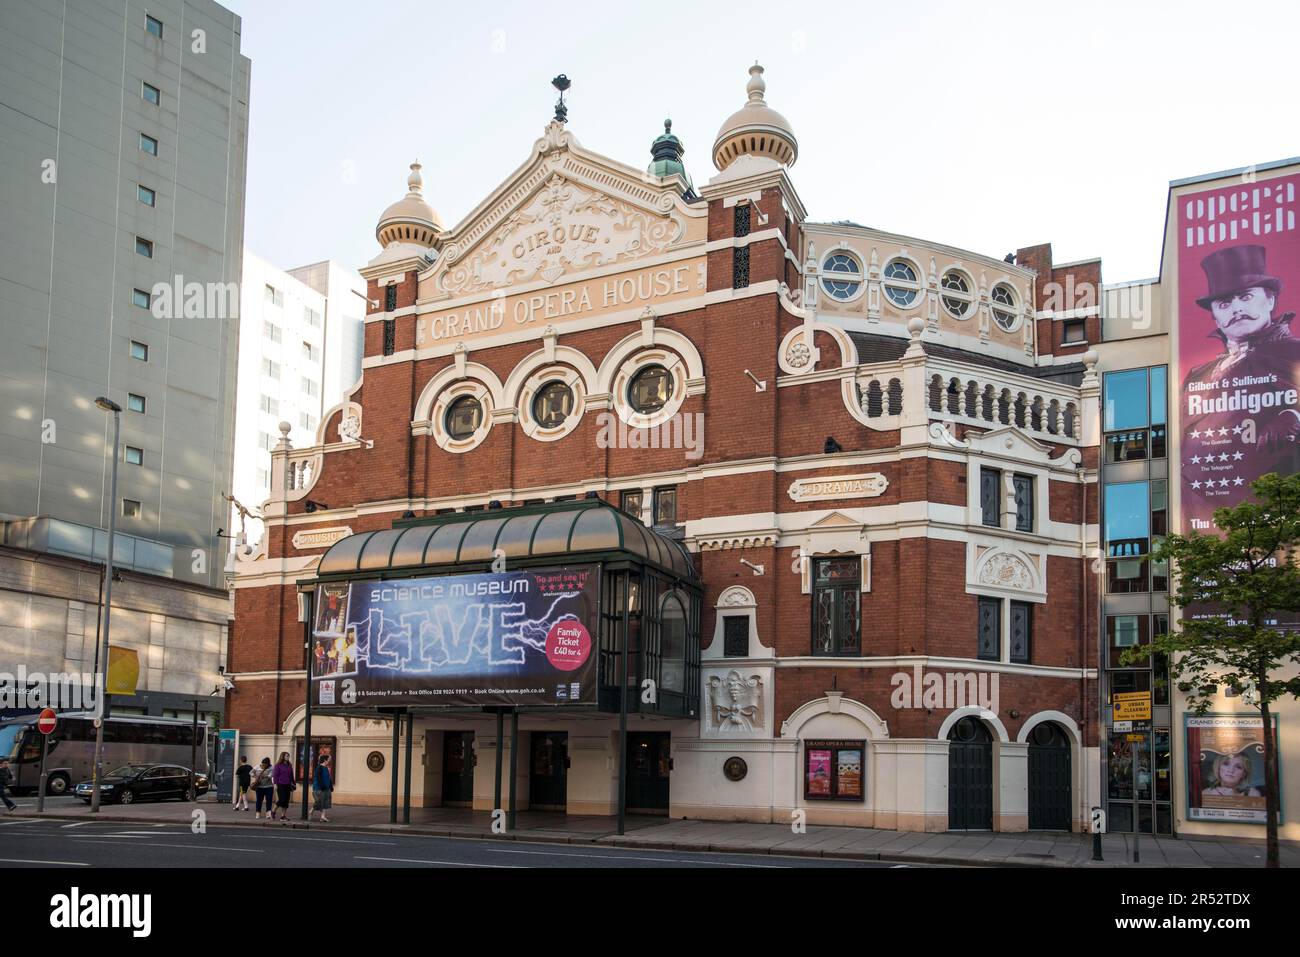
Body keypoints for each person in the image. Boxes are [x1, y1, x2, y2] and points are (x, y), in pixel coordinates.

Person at [1182, 244, 1300, 517]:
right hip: (1202, 517)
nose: (1236, 309)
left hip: (1271, 515)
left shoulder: (1294, 352)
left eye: (1246, 297)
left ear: (1270, 300)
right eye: (1224, 303)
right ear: (1215, 316)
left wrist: (1294, 416)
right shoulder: (1197, 374)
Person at [270, 751, 295, 824]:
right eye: (286, 756)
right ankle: (273, 811)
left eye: (288, 756)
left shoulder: (289, 765)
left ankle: (283, 816)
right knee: (282, 799)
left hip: (288, 784)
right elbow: (275, 775)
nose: (288, 757)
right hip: (280, 784)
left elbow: (291, 775)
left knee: (286, 801)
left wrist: (293, 783)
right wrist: (275, 784)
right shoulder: (278, 765)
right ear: (283, 756)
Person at [310, 754, 334, 823]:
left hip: (326, 788)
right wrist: (322, 786)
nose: (330, 761)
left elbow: (328, 778)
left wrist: (331, 786)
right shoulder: (319, 768)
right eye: (329, 759)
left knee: (326, 802)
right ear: (325, 760)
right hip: (319, 788)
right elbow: (318, 778)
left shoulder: (326, 768)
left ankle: (322, 817)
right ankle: (311, 810)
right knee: (319, 801)